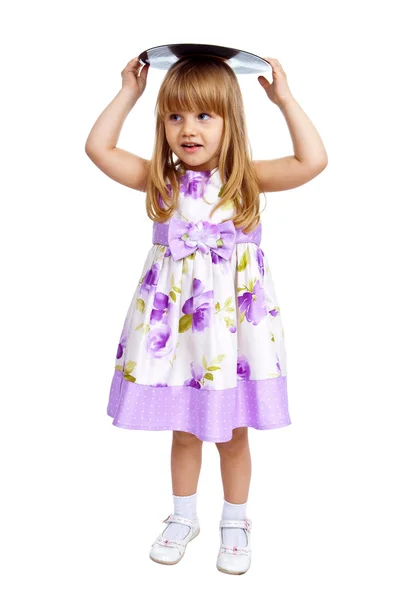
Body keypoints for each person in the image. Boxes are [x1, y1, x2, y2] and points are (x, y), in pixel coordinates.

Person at [85, 54, 328, 575]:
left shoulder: (248, 182)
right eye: (175, 117)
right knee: (184, 429)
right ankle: (183, 516)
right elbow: (98, 148)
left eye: (203, 116)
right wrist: (128, 93)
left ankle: (236, 521)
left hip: (233, 335)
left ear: (229, 121)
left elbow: (312, 161)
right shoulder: (161, 181)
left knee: (233, 431)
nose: (188, 129)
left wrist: (285, 100)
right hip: (175, 332)